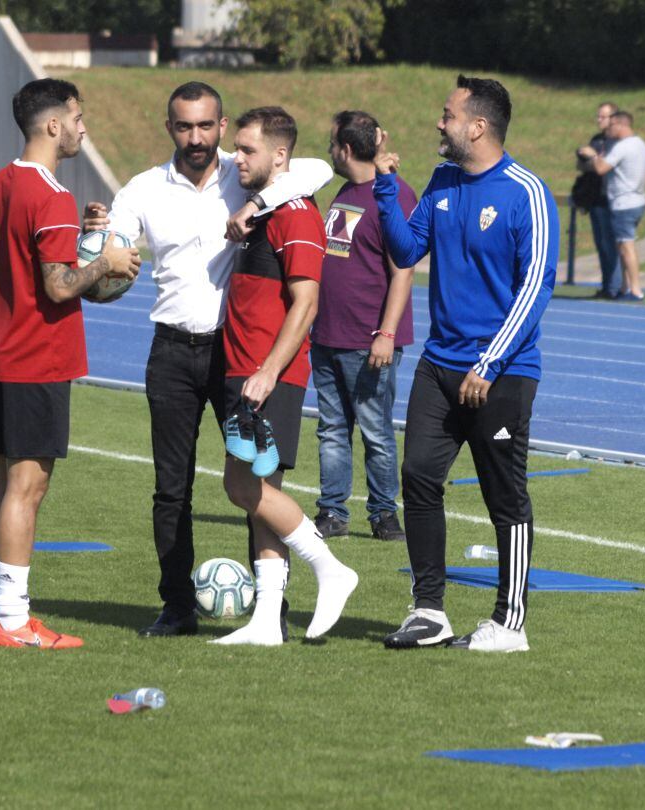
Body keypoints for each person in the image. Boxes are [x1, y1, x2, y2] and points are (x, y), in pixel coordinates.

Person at [82, 83, 332, 638]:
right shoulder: (143, 189)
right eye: (182, 126)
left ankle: (273, 610)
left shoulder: (245, 172)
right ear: (168, 127)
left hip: (233, 353)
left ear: (221, 127)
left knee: (257, 484)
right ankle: (176, 608)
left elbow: (313, 167)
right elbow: (111, 266)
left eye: (205, 126)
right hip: (171, 351)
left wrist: (257, 203)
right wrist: (98, 250)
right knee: (172, 488)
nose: (195, 138)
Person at [373, 75, 558, 653]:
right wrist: (385, 190)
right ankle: (429, 611)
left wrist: (490, 361)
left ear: (477, 126)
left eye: (447, 114)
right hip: (439, 365)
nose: (439, 122)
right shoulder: (443, 180)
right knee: (419, 477)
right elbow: (407, 250)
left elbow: (535, 285)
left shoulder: (526, 191)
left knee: (505, 495)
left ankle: (510, 623)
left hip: (501, 373)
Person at [0, 78, 141, 648]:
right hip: (33, 357)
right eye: (78, 117)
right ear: (54, 124)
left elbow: (29, 259)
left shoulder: (0, 183)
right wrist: (107, 260)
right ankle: (13, 622)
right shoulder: (51, 193)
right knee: (26, 489)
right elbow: (60, 287)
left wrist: (80, 244)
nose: (84, 128)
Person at [215, 106, 359, 646]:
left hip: (265, 372)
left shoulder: (295, 212)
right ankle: (266, 620)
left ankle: (330, 568)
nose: (237, 158)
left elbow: (307, 300)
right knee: (259, 496)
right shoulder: (266, 206)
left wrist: (269, 371)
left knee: (240, 484)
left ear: (279, 155)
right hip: (243, 366)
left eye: (248, 150)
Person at [311, 110, 416, 543]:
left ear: (347, 149)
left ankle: (383, 514)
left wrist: (386, 334)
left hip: (367, 339)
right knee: (332, 429)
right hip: (328, 334)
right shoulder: (347, 190)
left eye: (333, 143)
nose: (329, 151)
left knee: (375, 430)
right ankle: (332, 511)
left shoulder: (393, 193)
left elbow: (403, 269)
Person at [578, 110, 645, 301]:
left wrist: (592, 155)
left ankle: (635, 289)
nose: (607, 129)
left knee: (626, 246)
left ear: (621, 125)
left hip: (623, 203)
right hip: (637, 199)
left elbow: (601, 168)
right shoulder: (641, 145)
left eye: (611, 126)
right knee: (622, 246)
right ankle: (625, 287)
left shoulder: (623, 147)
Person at [572, 102, 621, 299]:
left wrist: (594, 158)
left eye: (603, 116)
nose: (599, 120)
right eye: (598, 116)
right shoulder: (596, 139)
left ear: (613, 118)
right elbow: (582, 165)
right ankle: (607, 284)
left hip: (613, 199)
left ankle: (615, 287)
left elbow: (607, 166)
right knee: (601, 244)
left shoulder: (618, 142)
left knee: (612, 245)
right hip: (595, 198)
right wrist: (593, 161)